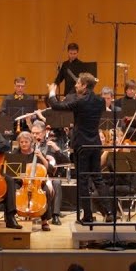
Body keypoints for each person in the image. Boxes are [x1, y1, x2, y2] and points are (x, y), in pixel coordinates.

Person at [47, 72, 105, 224]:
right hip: (96, 143)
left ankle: (87, 216)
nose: (75, 85)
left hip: (82, 145)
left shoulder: (80, 102)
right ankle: (110, 212)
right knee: (98, 178)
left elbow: (56, 105)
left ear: (85, 85)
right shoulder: (100, 101)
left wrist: (52, 92)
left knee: (83, 180)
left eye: (78, 83)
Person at [7, 132, 56, 231]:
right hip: (21, 183)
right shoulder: (15, 154)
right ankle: (11, 217)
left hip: (37, 183)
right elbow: (9, 172)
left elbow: (50, 169)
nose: (24, 144)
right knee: (11, 190)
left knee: (46, 190)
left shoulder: (37, 153)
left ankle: (44, 220)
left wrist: (42, 157)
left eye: (26, 142)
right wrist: (20, 176)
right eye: (21, 142)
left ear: (31, 142)